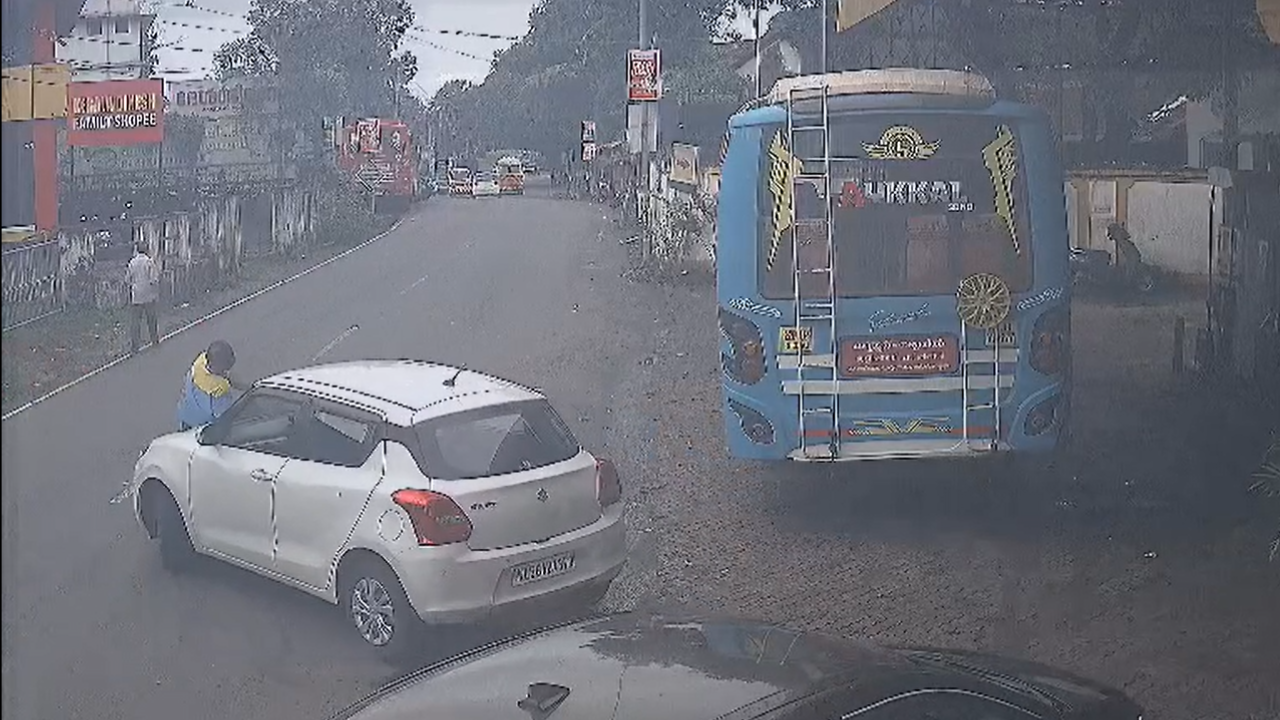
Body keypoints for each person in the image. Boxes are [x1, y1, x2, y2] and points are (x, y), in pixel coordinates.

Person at [176, 340, 245, 431]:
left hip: (184, 416)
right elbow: (226, 418)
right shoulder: (218, 392)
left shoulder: (197, 368)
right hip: (199, 430)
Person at [126, 241, 161, 353]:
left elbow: (127, 279)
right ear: (146, 250)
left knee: (136, 321)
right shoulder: (149, 262)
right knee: (151, 319)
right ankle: (154, 340)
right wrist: (155, 293)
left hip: (136, 296)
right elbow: (154, 280)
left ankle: (134, 346)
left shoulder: (132, 262)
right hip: (148, 295)